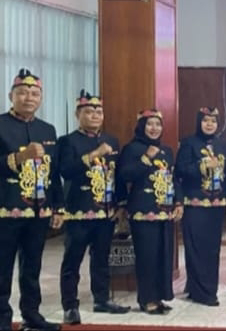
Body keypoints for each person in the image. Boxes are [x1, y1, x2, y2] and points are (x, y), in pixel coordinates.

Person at [0, 68, 64, 331]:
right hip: (6, 210)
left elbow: (54, 172)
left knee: (32, 266)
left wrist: (58, 207)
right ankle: (2, 318)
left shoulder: (46, 129)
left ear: (41, 98)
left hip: (39, 211)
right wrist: (18, 158)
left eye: (34, 93)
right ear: (11, 96)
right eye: (23, 92)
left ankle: (32, 313)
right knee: (3, 267)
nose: (29, 98)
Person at [58, 90, 129, 325]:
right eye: (89, 111)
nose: (95, 115)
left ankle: (102, 299)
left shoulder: (112, 141)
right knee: (73, 260)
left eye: (99, 111)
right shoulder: (68, 141)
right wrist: (94, 155)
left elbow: (117, 176)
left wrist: (120, 204)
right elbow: (66, 171)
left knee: (101, 258)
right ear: (78, 114)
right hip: (78, 210)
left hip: (106, 211)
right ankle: (70, 305)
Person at [117, 109, 182, 315]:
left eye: (158, 124)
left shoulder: (166, 150)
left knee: (164, 256)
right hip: (143, 211)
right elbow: (125, 175)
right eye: (150, 124)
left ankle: (160, 296)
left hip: (165, 211)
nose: (154, 128)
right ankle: (146, 299)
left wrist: (178, 202)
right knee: (147, 256)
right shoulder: (132, 149)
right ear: (142, 126)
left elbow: (173, 178)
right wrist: (146, 158)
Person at [175, 107, 226, 306]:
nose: (209, 124)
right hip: (195, 204)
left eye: (213, 121)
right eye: (206, 121)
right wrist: (202, 166)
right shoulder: (189, 143)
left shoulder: (222, 144)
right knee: (195, 248)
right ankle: (203, 293)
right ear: (199, 122)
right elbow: (180, 171)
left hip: (216, 205)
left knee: (212, 249)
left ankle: (206, 288)